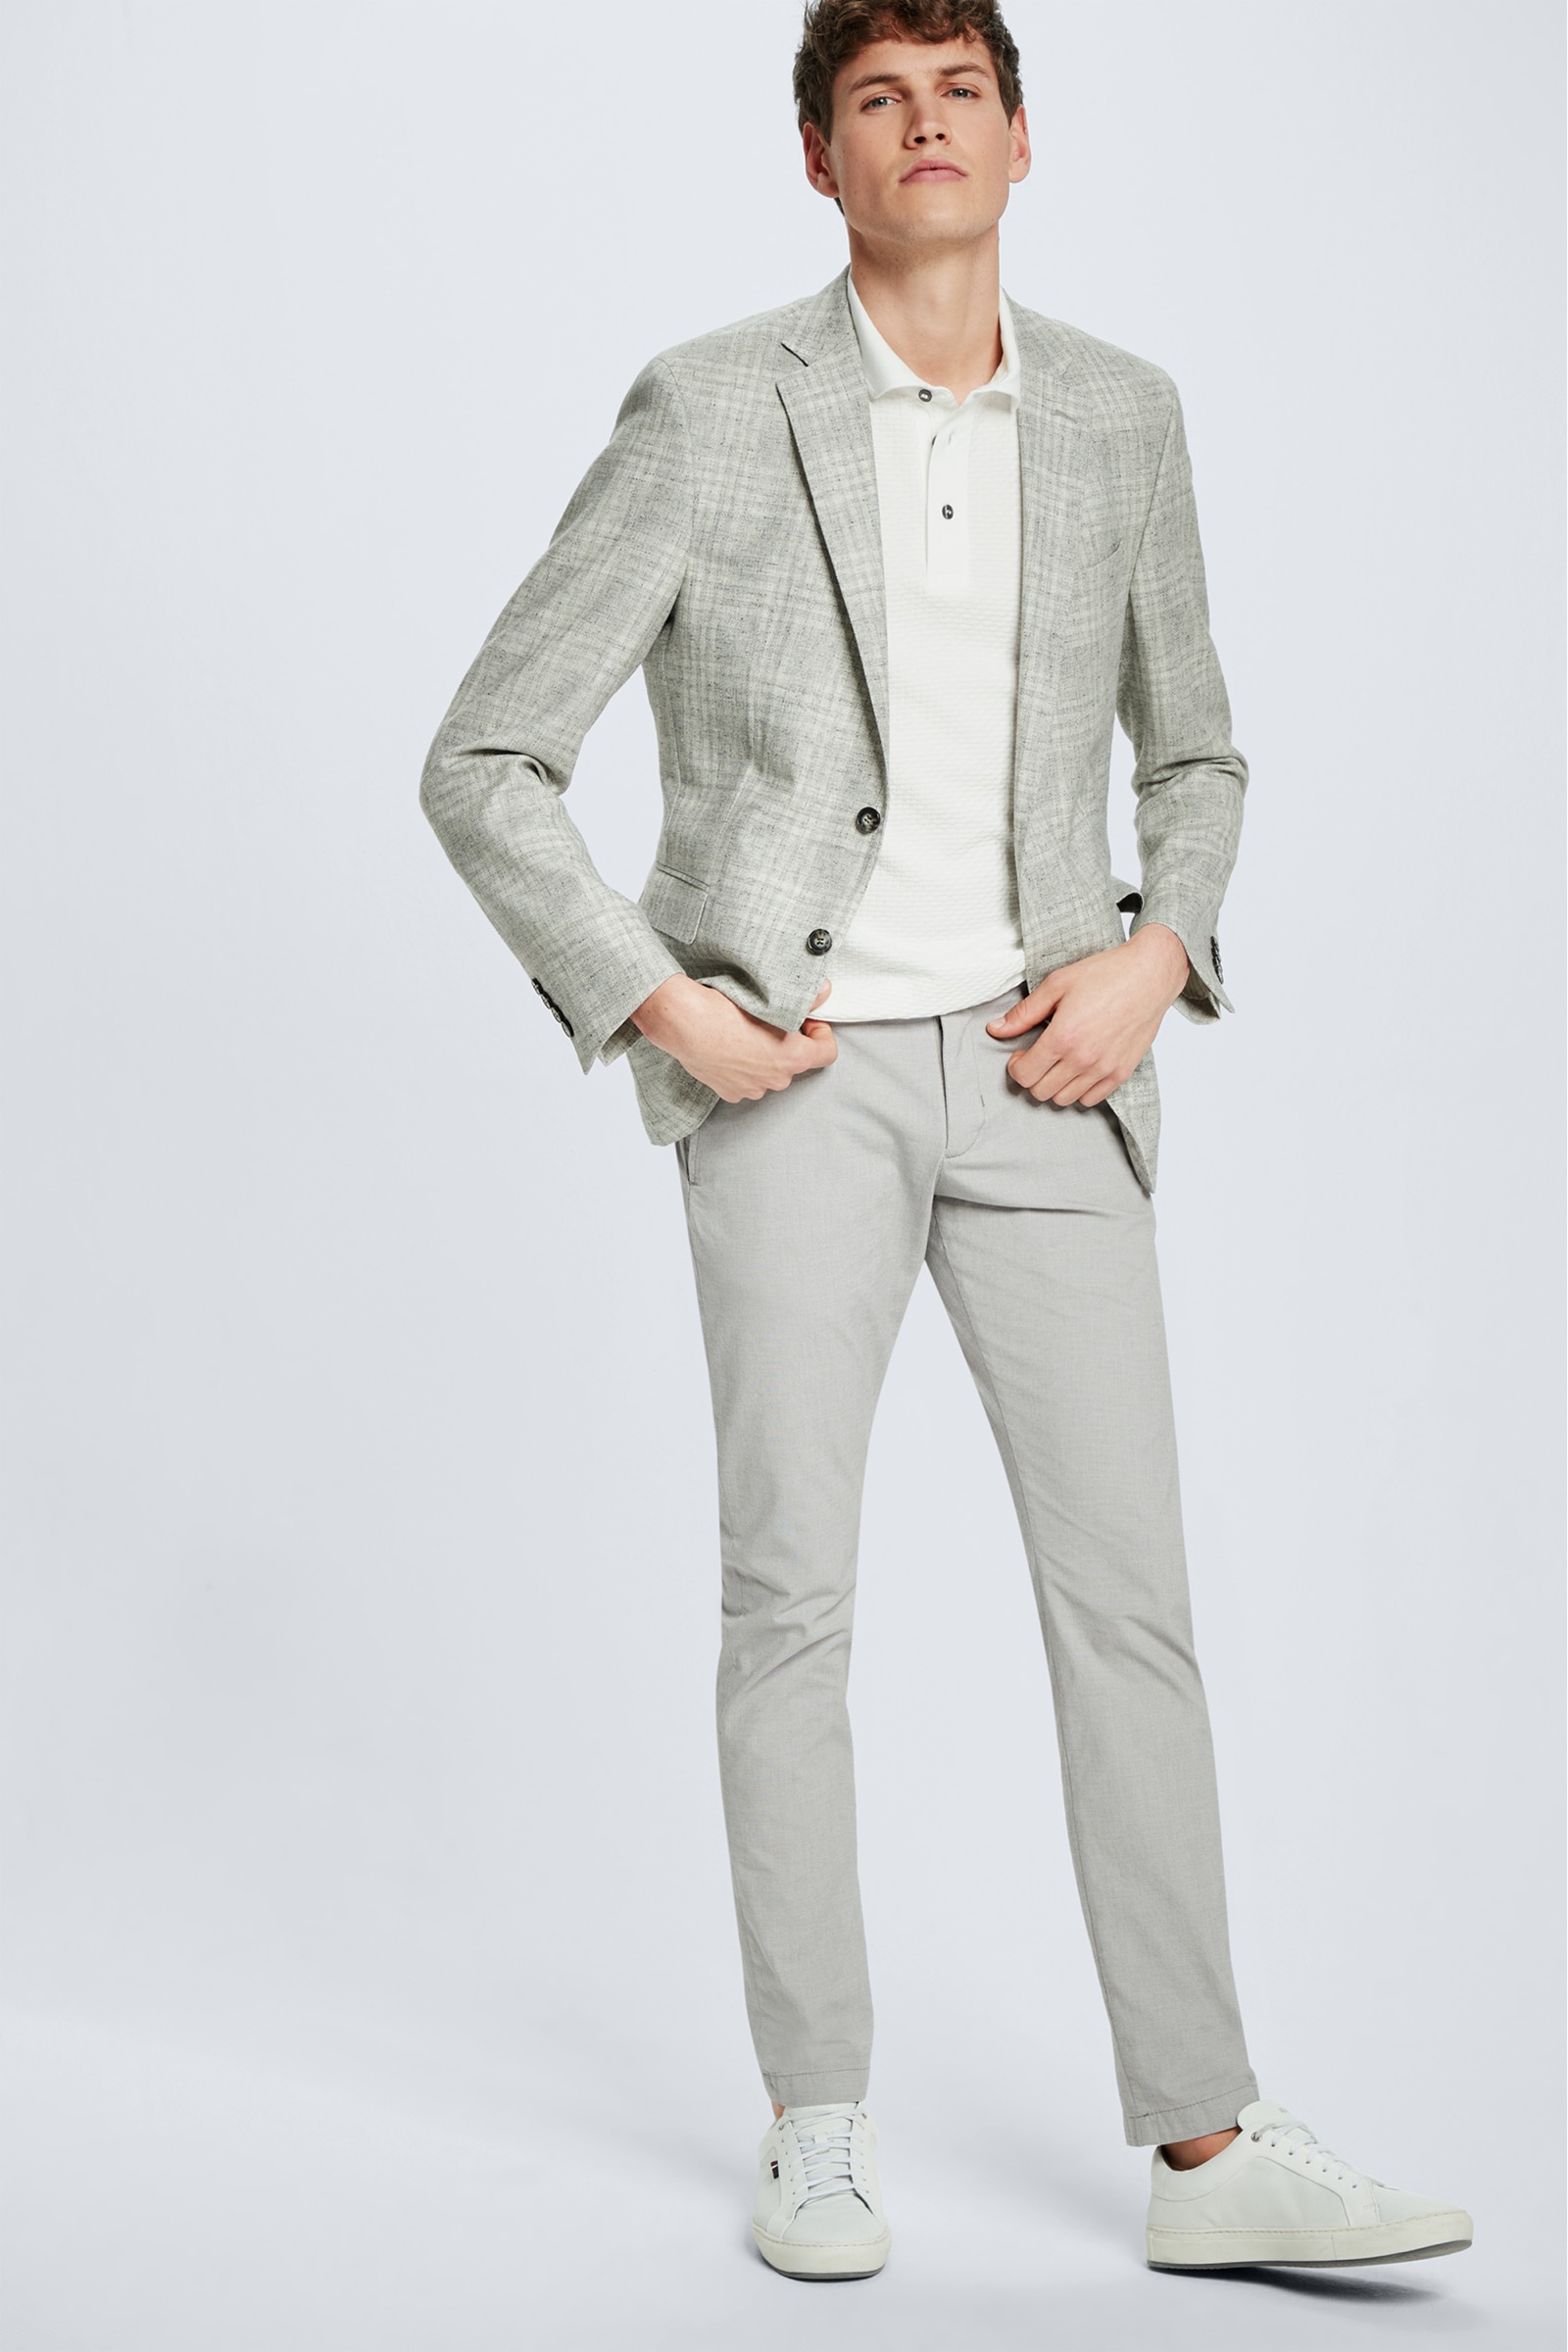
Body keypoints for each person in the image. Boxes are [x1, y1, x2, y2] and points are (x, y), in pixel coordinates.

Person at [419, 0, 1473, 2286]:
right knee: (788, 1599)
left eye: (957, 91)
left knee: (1129, 1605)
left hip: (1042, 1069)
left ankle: (1205, 2145)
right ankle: (814, 2122)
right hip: (789, 1078)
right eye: (874, 100)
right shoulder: (709, 409)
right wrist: (662, 1002)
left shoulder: (1119, 415)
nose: (921, 128)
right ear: (818, 156)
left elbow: (1192, 752)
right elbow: (486, 756)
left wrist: (1150, 952)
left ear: (1017, 136)